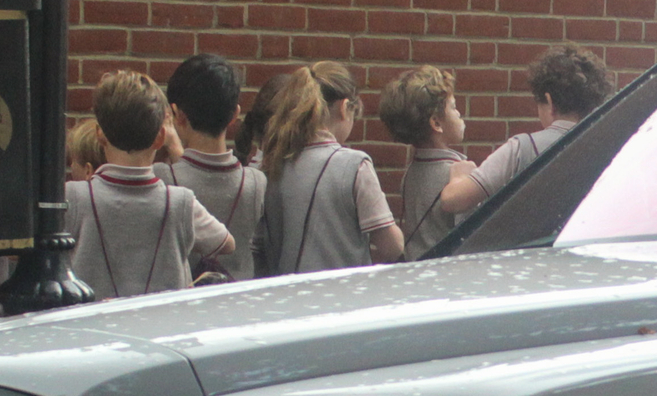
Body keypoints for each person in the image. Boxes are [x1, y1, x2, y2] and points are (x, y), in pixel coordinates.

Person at [64, 71, 235, 302]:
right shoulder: (180, 202)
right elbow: (226, 243)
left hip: (93, 332)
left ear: (100, 135)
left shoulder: (74, 197)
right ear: (159, 138)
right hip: (162, 330)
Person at [433, 44, 613, 223]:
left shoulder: (522, 149)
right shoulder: (613, 151)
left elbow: (453, 201)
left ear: (549, 101)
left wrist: (460, 176)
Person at [255, 62, 402, 274]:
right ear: (344, 108)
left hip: (286, 296)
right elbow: (391, 247)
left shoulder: (271, 163)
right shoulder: (354, 165)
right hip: (341, 297)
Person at [157, 53, 266, 281]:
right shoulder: (256, 182)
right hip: (241, 302)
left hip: (186, 305)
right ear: (234, 114)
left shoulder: (163, 177)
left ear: (177, 114)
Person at [376, 65, 469, 259]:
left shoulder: (412, 171)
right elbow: (469, 236)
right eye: (453, 107)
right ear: (436, 123)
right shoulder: (457, 174)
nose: (459, 113)